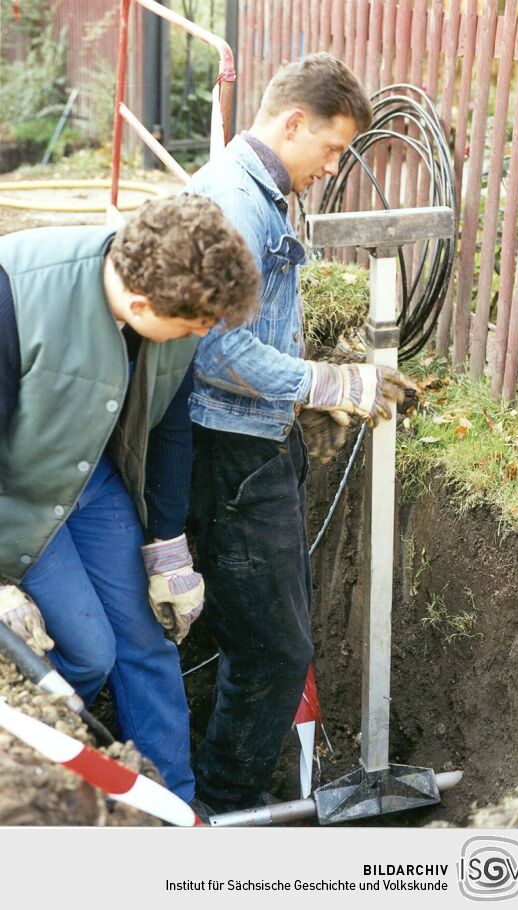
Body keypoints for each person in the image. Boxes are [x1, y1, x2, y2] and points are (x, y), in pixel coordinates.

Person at [184, 52, 416, 812]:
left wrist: (308, 381)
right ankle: (228, 809)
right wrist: (329, 382)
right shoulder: (234, 203)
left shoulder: (261, 193)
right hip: (234, 452)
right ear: (291, 123)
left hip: (257, 439)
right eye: (330, 148)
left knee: (268, 640)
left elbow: (254, 327)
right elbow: (214, 347)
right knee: (275, 652)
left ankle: (230, 794)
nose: (333, 166)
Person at [0, 195, 259, 803]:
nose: (201, 335)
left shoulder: (175, 299)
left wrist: (167, 548)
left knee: (149, 636)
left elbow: (169, 427)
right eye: (195, 327)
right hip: (18, 497)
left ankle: (171, 802)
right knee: (88, 653)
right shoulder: (17, 291)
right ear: (141, 305)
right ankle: (45, 787)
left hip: (87, 481)